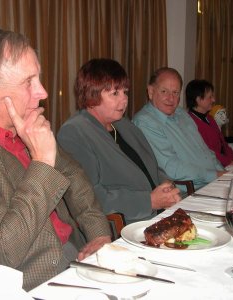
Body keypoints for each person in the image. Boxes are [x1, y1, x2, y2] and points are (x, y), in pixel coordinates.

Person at [0, 29, 111, 291]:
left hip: (75, 257)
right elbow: (5, 246)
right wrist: (43, 163)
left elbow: (73, 175)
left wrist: (99, 233)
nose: (43, 92)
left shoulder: (22, 122)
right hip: (26, 282)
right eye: (29, 82)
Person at [57, 59, 180, 225]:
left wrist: (166, 184)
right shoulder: (74, 132)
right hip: (124, 225)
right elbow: (88, 197)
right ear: (91, 94)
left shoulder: (124, 124)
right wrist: (149, 201)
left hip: (160, 215)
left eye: (125, 92)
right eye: (115, 93)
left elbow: (151, 167)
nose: (124, 100)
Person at [132, 67, 226, 191]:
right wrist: (214, 175)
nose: (171, 98)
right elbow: (172, 167)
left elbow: (204, 151)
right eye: (164, 91)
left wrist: (223, 173)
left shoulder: (182, 114)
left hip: (213, 183)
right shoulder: (145, 122)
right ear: (150, 91)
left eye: (175, 93)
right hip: (188, 193)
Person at [185, 79, 233, 167]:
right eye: (210, 97)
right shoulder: (190, 123)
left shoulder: (209, 118)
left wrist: (232, 160)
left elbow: (223, 144)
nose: (213, 100)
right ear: (198, 99)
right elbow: (208, 152)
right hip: (211, 169)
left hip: (224, 165)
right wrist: (230, 163)